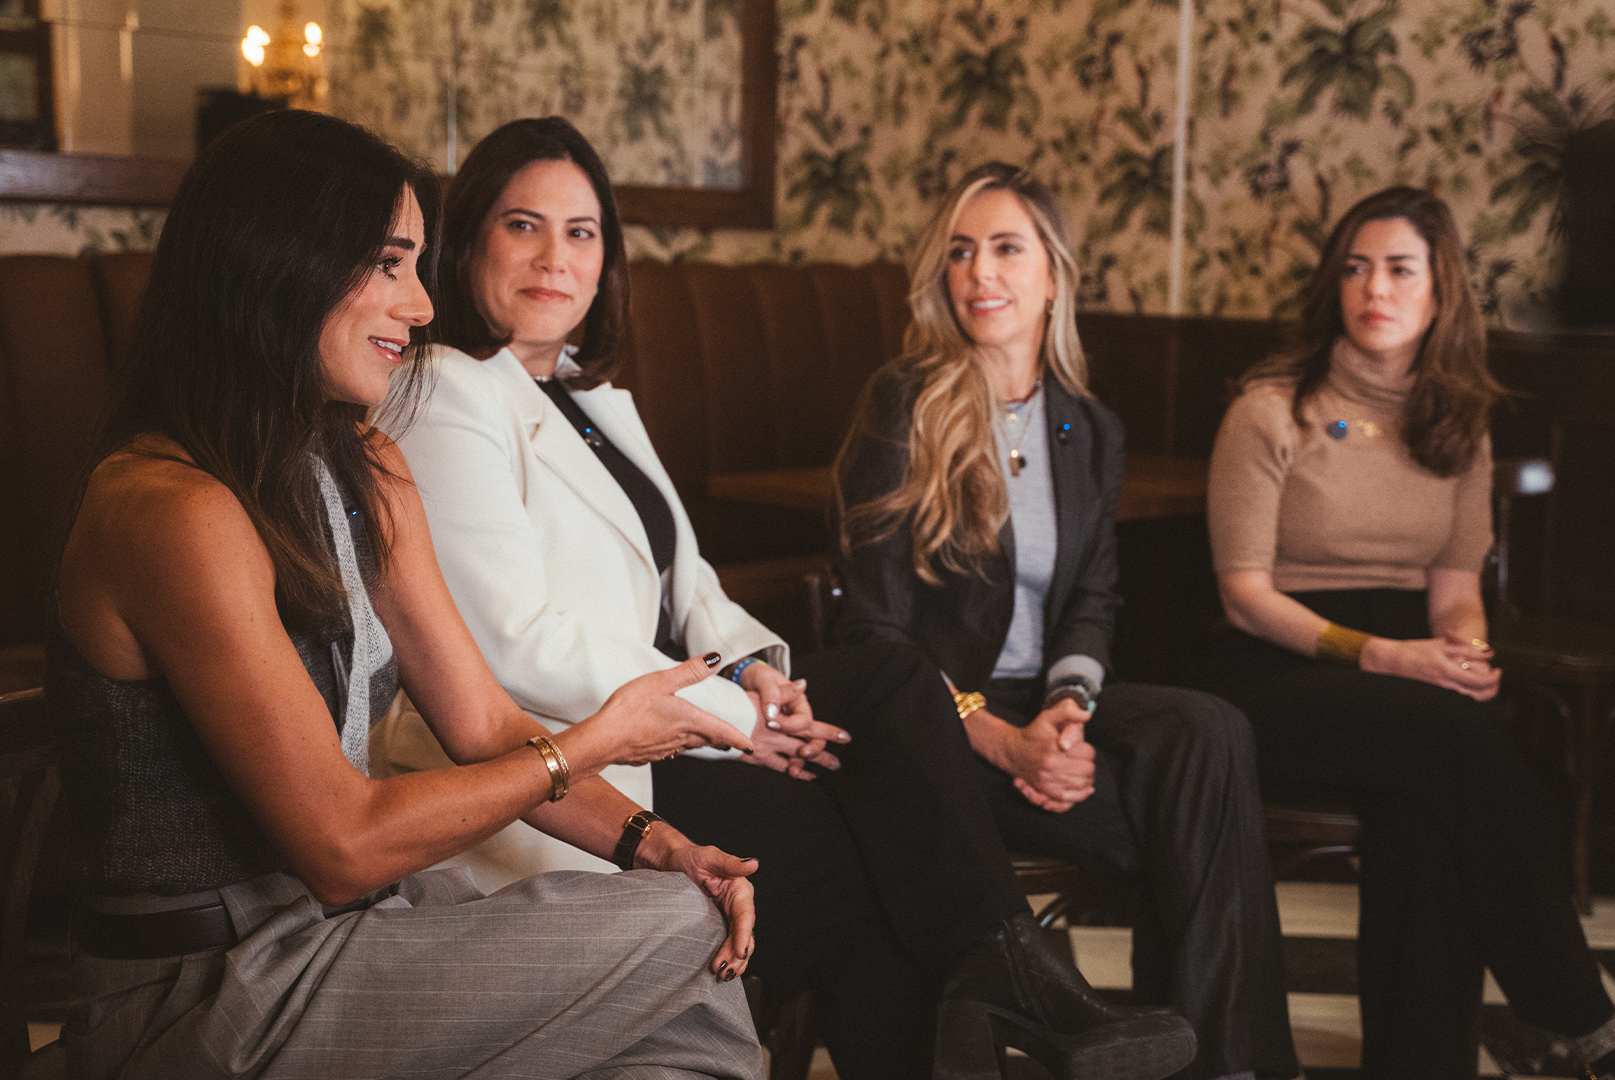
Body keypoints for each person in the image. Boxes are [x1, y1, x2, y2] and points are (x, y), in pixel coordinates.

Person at [370, 117, 1197, 1080]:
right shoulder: (443, 390)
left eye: (582, 232)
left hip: (668, 726)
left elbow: (693, 589)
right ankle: (1015, 979)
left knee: (887, 696)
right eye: (524, 225)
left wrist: (762, 674)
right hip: (571, 762)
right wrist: (731, 714)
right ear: (468, 241)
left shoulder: (593, 403)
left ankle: (1004, 975)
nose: (556, 256)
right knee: (864, 846)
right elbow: (512, 642)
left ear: (606, 260)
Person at [47, 109, 769, 1080]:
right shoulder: (171, 508)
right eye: (389, 264)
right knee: (685, 943)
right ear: (280, 262)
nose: (423, 306)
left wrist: (661, 844)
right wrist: (594, 741)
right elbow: (341, 844)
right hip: (203, 991)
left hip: (346, 934)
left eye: (417, 266)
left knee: (681, 983)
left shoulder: (366, 467)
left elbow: (481, 722)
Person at [832, 161, 1300, 1080]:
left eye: (1006, 249)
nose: (979, 272)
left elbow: (1091, 600)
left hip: (1038, 704)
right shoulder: (903, 402)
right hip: (931, 722)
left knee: (1209, 730)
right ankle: (1225, 1065)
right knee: (1182, 828)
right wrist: (1003, 742)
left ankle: (1210, 1062)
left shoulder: (1087, 428)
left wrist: (1066, 712)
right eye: (960, 252)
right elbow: (873, 633)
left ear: (1053, 274)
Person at [1205, 185, 1615, 1080]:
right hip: (1279, 671)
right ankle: (1577, 1014)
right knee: (1454, 743)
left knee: (1426, 817)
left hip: (1407, 676)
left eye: (1399, 269)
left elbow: (1454, 590)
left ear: (1439, 292)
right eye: (1355, 268)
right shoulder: (1268, 411)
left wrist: (1464, 650)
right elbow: (1243, 598)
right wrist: (1385, 657)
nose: (1374, 289)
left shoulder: (1456, 425)